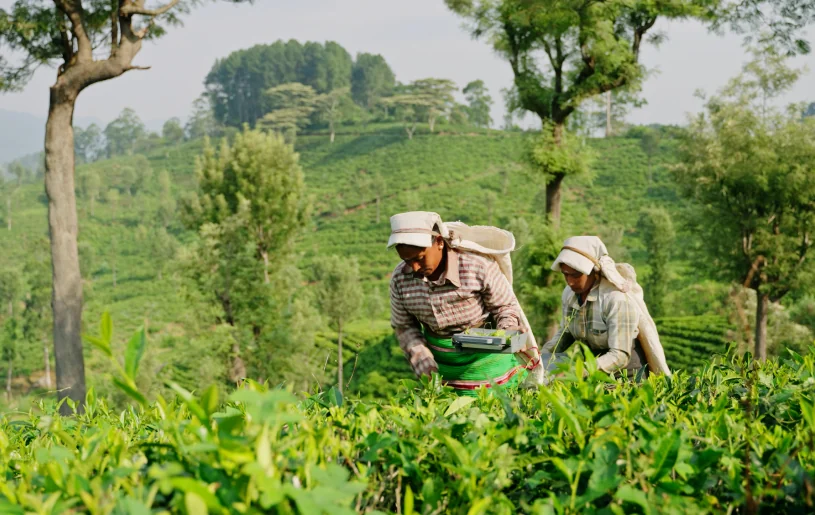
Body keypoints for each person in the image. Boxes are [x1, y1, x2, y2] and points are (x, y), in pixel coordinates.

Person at [387, 211, 543, 394]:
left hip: (485, 354)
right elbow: (404, 326)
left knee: (499, 409)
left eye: (419, 258)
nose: (414, 267)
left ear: (438, 242)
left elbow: (505, 307)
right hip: (442, 364)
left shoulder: (476, 266)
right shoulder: (400, 279)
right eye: (407, 260)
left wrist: (507, 332)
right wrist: (422, 360)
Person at [542, 235, 669, 379]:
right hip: (593, 373)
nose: (570, 282)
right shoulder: (569, 294)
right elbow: (567, 332)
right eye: (566, 275)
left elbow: (619, 356)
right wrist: (540, 359)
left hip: (627, 376)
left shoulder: (615, 299)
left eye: (576, 275)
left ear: (593, 271)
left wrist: (574, 373)